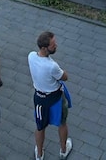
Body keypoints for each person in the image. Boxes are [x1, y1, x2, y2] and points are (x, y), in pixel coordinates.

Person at [28, 31, 73, 160]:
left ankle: (39, 154)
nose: (56, 45)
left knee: (40, 126)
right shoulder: (52, 66)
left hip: (39, 98)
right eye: (53, 45)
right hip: (55, 99)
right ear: (44, 48)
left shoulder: (31, 56)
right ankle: (63, 150)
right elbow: (65, 77)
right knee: (62, 123)